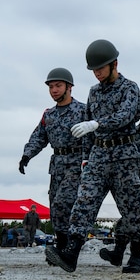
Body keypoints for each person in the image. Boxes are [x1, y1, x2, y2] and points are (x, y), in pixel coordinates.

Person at [45, 39, 140, 273]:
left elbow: (126, 115)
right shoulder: (94, 92)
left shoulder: (130, 88)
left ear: (114, 64)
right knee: (84, 202)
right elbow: (87, 126)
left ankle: (138, 255)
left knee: (130, 207)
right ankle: (71, 253)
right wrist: (86, 156)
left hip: (124, 155)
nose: (97, 74)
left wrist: (96, 124)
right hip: (98, 155)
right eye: (94, 70)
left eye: (101, 68)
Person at [19, 67, 90, 253]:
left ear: (70, 87)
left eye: (58, 86)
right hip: (57, 165)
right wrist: (27, 155)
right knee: (54, 206)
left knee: (63, 203)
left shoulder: (83, 111)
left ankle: (67, 246)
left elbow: (93, 138)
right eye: (51, 87)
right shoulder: (49, 115)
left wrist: (89, 160)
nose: (54, 90)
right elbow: (39, 137)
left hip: (77, 164)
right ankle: (62, 245)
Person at [99, 87, 140, 271]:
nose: (138, 110)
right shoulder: (135, 130)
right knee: (129, 218)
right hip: (135, 178)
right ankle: (118, 252)